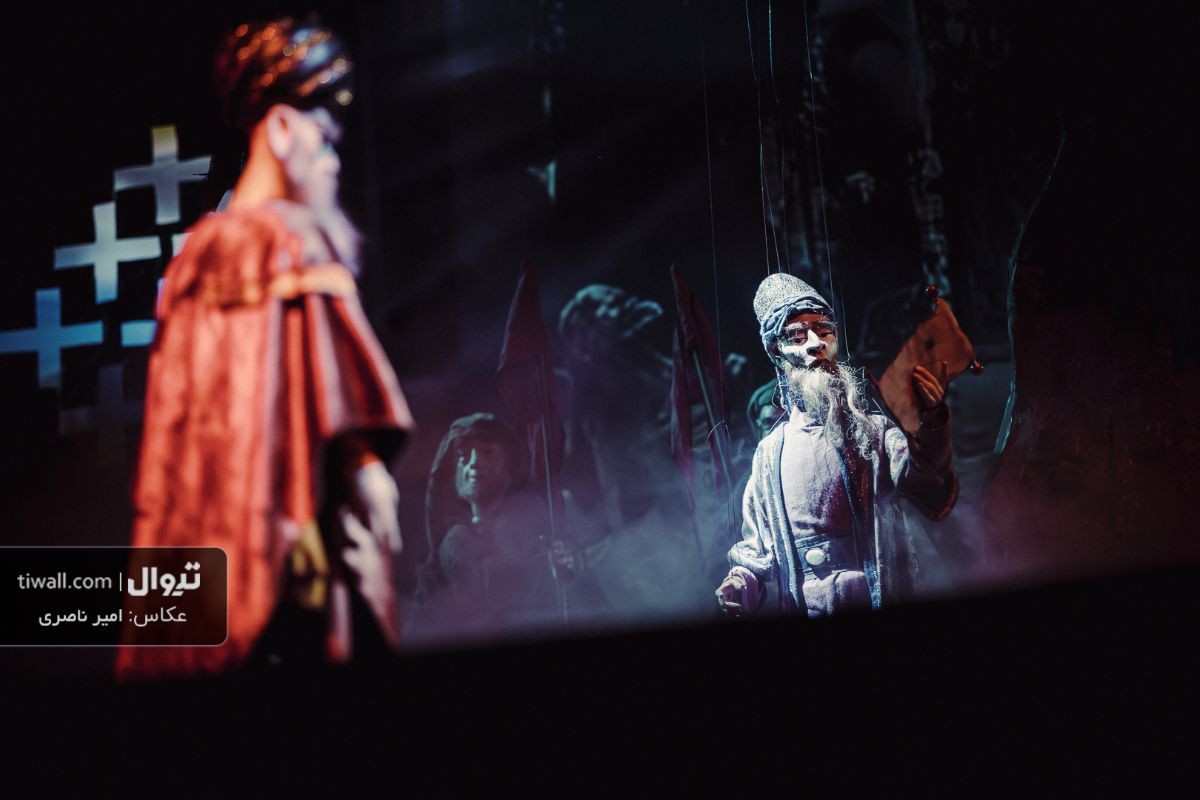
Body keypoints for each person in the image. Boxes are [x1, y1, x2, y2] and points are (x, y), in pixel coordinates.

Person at [116, 17, 414, 679]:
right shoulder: (275, 246)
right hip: (279, 542)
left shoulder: (204, 258)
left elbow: (305, 375)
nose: (333, 161)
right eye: (323, 139)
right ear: (281, 130)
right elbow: (326, 381)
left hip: (258, 527)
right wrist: (363, 462)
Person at [715, 273, 957, 617]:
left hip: (876, 595)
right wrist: (739, 583)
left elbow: (923, 481)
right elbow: (757, 551)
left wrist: (932, 423)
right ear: (776, 351)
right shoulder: (769, 454)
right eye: (797, 336)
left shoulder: (873, 431)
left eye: (824, 330)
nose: (816, 344)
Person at [415, 413, 606, 643]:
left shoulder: (538, 536)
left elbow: (596, 611)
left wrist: (569, 577)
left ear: (509, 465)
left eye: (487, 452)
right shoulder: (451, 545)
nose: (474, 462)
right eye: (464, 455)